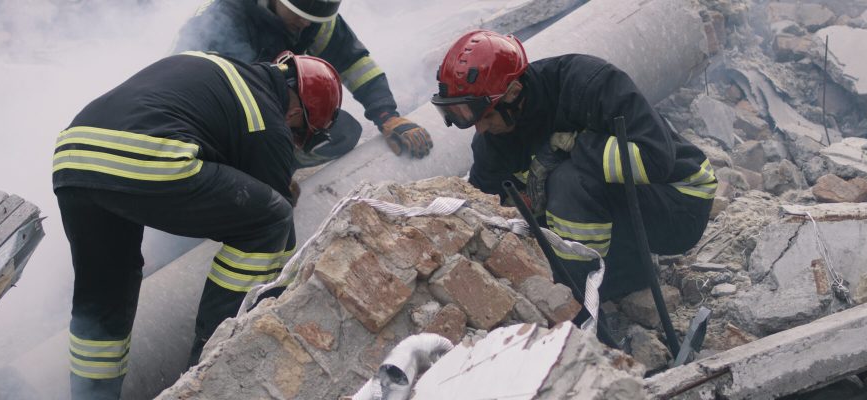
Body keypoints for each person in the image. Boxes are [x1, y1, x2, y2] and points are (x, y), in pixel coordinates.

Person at [52, 51, 342, 400]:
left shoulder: (226, 72)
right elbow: (276, 226)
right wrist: (287, 294)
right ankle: (209, 366)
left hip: (73, 157)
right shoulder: (269, 121)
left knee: (105, 291)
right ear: (296, 113)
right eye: (299, 134)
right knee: (271, 218)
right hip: (148, 155)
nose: (293, 140)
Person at [430, 30, 716, 330]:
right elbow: (485, 209)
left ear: (513, 93)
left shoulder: (590, 84)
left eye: (486, 117)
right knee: (538, 210)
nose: (482, 130)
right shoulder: (494, 140)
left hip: (681, 203)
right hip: (628, 218)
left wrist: (576, 147)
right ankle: (625, 274)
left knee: (567, 181)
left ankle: (584, 300)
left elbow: (656, 160)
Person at [173, 0, 432, 166]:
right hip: (211, 132)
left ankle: (285, 165)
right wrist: (263, 173)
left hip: (270, 112)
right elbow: (208, 108)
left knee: (342, 132)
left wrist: (387, 115)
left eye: (316, 14)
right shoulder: (222, 20)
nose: (307, 22)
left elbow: (354, 63)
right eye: (301, 12)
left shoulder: (311, 15)